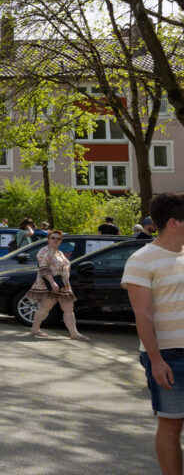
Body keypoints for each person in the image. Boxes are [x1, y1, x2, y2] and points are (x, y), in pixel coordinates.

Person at [123, 193, 184, 474]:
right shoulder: (142, 259)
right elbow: (143, 315)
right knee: (171, 424)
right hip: (169, 356)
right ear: (174, 222)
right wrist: (157, 360)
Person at [24, 231, 89, 341]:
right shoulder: (44, 252)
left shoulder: (59, 252)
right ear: (48, 239)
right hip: (50, 284)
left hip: (63, 284)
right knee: (45, 308)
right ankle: (35, 329)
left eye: (58, 239)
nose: (55, 240)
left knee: (69, 309)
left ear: (61, 241)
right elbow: (43, 269)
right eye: (53, 238)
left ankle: (74, 333)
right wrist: (52, 282)